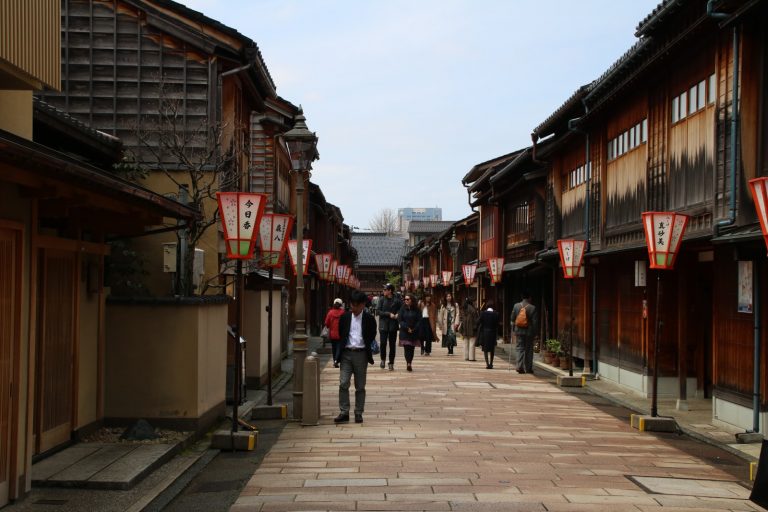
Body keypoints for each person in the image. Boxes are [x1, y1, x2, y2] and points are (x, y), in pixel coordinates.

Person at [335, 290, 377, 424]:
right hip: (346, 354)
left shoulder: (369, 319)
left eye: (356, 305)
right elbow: (341, 333)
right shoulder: (345, 317)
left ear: (363, 305)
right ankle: (344, 411)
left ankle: (358, 412)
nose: (353, 308)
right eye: (351, 304)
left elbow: (372, 334)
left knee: (360, 386)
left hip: (361, 354)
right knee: (343, 383)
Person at [376, 283, 402, 371]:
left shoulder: (397, 300)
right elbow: (378, 311)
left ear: (390, 291)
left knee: (392, 344)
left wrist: (398, 314)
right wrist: (388, 314)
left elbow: (402, 309)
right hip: (383, 324)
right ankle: (383, 359)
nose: (383, 291)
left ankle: (391, 362)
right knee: (383, 343)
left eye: (385, 289)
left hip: (393, 324)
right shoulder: (381, 299)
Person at [511, 291, 538, 374]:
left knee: (520, 348)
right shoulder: (532, 308)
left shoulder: (516, 306)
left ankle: (519, 366)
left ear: (522, 297)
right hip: (529, 332)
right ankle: (528, 368)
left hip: (519, 331)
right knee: (529, 350)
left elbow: (512, 318)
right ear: (529, 298)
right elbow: (535, 322)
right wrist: (535, 333)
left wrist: (513, 329)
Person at [398, 294, 422, 372]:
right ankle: (408, 363)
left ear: (412, 300)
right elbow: (400, 320)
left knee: (411, 348)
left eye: (408, 299)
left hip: (414, 331)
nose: (406, 301)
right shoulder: (402, 308)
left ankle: (410, 362)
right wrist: (406, 328)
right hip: (404, 331)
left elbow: (419, 320)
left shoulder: (417, 309)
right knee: (406, 348)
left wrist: (414, 329)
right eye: (405, 299)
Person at [476, 299, 500, 369]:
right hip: (493, 333)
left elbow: (478, 322)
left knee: (485, 349)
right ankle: (491, 363)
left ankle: (487, 364)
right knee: (492, 349)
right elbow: (497, 324)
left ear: (487, 306)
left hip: (485, 333)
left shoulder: (483, 313)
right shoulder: (496, 314)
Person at [324, 298, 345, 368]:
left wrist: (330, 325)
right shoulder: (343, 312)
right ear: (340, 305)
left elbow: (326, 323)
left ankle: (334, 360)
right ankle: (336, 360)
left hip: (332, 333)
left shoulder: (330, 313)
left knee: (334, 348)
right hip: (340, 333)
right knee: (339, 347)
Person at [459, 297, 479, 361]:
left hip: (464, 328)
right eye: (475, 301)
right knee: (472, 343)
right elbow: (476, 320)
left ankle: (466, 356)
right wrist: (476, 326)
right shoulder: (473, 310)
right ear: (472, 302)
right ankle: (471, 357)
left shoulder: (463, 308)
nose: (476, 302)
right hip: (472, 328)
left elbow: (461, 318)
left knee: (465, 343)